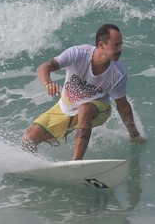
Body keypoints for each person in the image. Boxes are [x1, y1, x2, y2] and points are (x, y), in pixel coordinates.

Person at [22, 24, 146, 160]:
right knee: (28, 139)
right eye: (116, 45)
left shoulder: (117, 74)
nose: (120, 49)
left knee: (85, 109)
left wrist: (134, 135)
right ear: (101, 44)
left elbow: (122, 105)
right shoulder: (78, 54)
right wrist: (48, 82)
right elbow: (44, 67)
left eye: (120, 45)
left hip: (98, 109)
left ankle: (76, 164)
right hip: (66, 107)